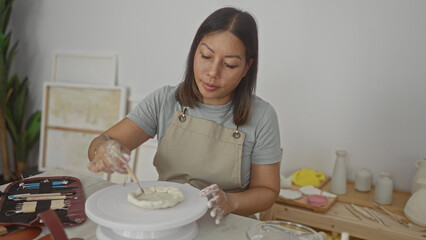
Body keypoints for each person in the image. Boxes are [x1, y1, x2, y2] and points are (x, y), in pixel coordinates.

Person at [87, 7, 282, 225]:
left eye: (229, 65)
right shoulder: (165, 100)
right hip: (168, 221)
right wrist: (104, 151)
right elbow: (101, 142)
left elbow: (267, 191)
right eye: (206, 56)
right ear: (194, 52)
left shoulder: (262, 116)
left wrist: (231, 202)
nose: (212, 72)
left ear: (246, 68)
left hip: (229, 225)